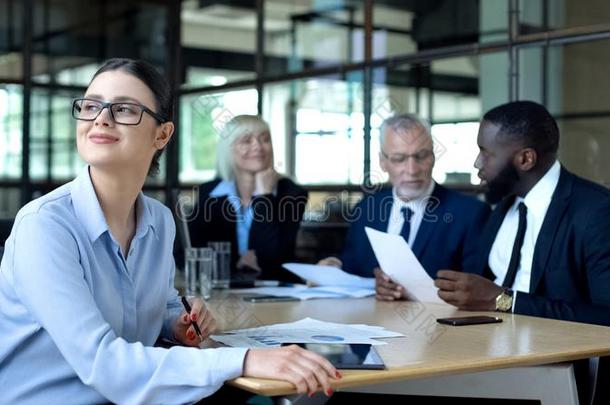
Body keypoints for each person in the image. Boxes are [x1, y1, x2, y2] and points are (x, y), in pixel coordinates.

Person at [0, 58, 339, 404]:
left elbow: (156, 308)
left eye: (125, 109)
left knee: (311, 396)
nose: (101, 118)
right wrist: (247, 358)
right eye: (91, 106)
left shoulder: (159, 221)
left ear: (162, 134)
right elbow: (104, 362)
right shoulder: (45, 226)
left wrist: (175, 321)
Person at [434, 100, 610, 326]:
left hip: (554, 356)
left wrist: (505, 301)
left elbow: (606, 315)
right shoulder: (504, 204)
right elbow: (479, 289)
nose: (477, 164)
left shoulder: (596, 211)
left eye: (485, 153)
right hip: (482, 343)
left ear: (525, 159)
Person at [320, 114, 490, 301]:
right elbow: (355, 271)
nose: (412, 169)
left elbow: (476, 291)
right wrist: (335, 269)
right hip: (372, 323)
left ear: (433, 156)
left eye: (421, 156)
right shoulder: (367, 208)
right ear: (382, 162)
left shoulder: (470, 214)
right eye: (399, 159)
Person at [188, 115, 307, 283]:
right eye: (246, 140)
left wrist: (264, 196)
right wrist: (236, 262)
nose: (258, 146)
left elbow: (273, 258)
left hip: (275, 293)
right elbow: (192, 251)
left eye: (265, 139)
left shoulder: (291, 193)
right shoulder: (209, 192)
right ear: (228, 149)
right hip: (222, 290)